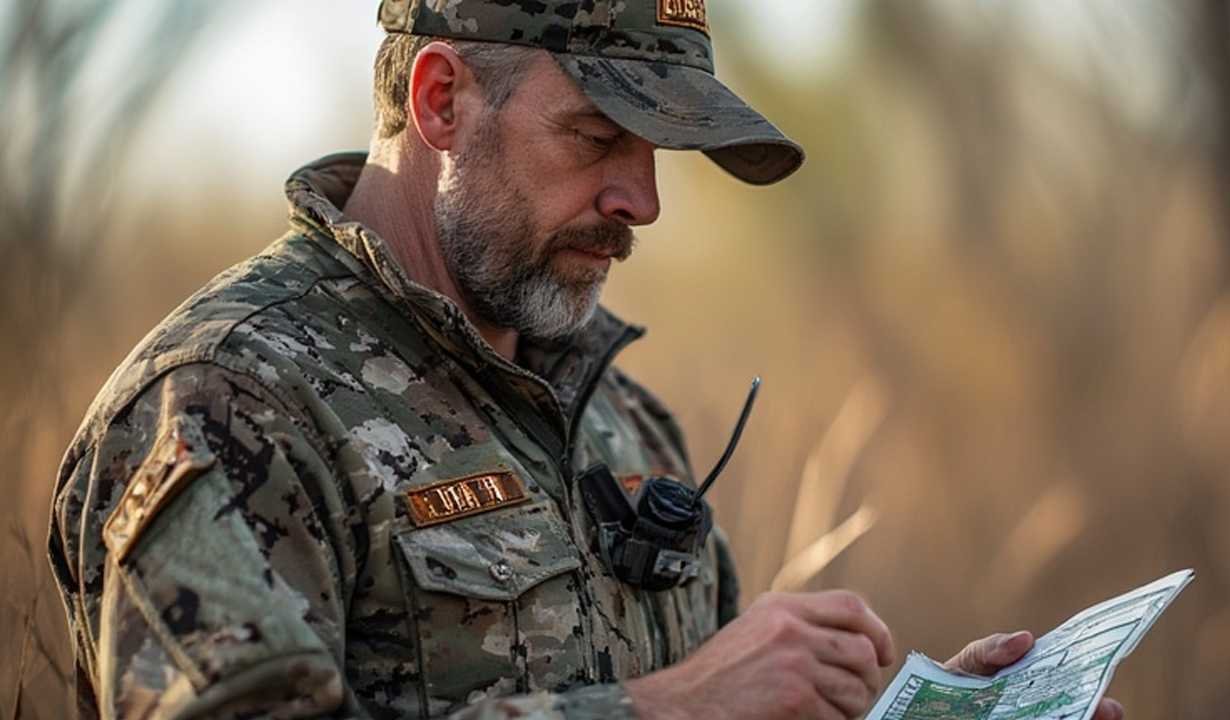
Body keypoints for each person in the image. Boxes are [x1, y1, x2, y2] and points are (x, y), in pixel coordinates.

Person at [47, 2, 1125, 719]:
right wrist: (673, 708)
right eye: (596, 138)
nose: (639, 203)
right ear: (439, 101)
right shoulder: (229, 400)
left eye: (655, 157)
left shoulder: (622, 422)